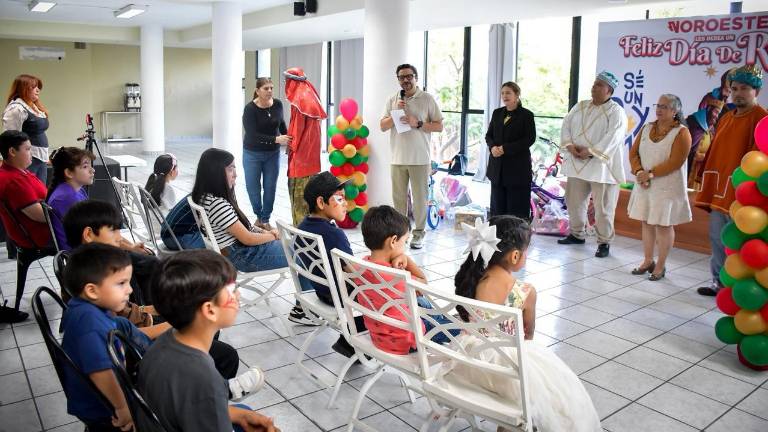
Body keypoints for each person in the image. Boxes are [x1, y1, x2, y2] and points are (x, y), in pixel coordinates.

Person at [453, 216, 601, 432]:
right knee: (557, 390)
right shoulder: (524, 292)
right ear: (515, 256)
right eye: (526, 250)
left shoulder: (471, 278)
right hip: (503, 370)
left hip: (468, 359)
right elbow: (528, 334)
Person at [140, 250, 279, 432]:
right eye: (232, 290)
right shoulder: (203, 378)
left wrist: (239, 415)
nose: (237, 296)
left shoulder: (165, 342)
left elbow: (187, 407)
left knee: (244, 411)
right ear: (210, 310)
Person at [60, 243, 172, 431]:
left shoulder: (86, 307)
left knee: (122, 324)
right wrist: (122, 407)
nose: (129, 290)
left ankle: (156, 358)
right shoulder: (90, 325)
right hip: (103, 408)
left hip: (108, 391)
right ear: (92, 290)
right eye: (121, 283)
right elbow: (101, 372)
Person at [695, 64, 768, 296]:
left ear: (756, 91)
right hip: (719, 191)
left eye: (744, 88)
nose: (737, 93)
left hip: (745, 197)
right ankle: (720, 282)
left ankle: (740, 289)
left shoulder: (762, 119)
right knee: (717, 237)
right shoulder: (726, 117)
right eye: (734, 88)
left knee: (740, 243)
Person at [358, 205, 457, 355]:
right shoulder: (397, 277)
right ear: (393, 241)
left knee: (422, 303)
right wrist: (406, 259)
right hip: (407, 339)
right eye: (405, 242)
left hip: (379, 334)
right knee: (459, 328)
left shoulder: (363, 265)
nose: (405, 247)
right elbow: (423, 282)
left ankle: (442, 318)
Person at [290, 171, 366, 357]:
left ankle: (349, 341)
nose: (346, 204)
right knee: (388, 298)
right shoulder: (333, 234)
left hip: (322, 292)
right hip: (340, 295)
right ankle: (352, 339)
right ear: (321, 203)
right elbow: (354, 273)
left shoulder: (304, 227)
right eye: (339, 199)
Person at [557, 71, 628, 258]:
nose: (594, 87)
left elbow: (614, 137)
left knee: (604, 208)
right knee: (573, 201)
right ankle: (576, 234)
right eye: (594, 84)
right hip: (576, 162)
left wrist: (591, 151)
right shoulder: (580, 106)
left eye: (599, 85)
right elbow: (566, 125)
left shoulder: (616, 111)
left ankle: (604, 242)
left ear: (609, 90)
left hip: (601, 167)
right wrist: (570, 145)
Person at [627, 94, 692, 281]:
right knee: (646, 221)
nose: (659, 109)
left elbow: (676, 161)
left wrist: (650, 174)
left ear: (675, 111)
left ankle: (661, 266)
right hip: (644, 183)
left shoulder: (682, 132)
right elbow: (633, 152)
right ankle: (648, 261)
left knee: (663, 224)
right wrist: (639, 171)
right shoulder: (648, 127)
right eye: (658, 105)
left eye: (664, 106)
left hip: (667, 186)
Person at [191, 148, 288, 272]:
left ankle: (307, 291)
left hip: (237, 252)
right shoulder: (218, 204)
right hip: (242, 256)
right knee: (304, 255)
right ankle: (308, 292)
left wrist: (266, 233)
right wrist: (273, 236)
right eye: (230, 169)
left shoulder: (205, 196)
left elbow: (245, 228)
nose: (235, 174)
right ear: (215, 172)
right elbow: (248, 238)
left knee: (301, 250)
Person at [380, 64, 444, 249]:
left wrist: (418, 123)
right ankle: (401, 234)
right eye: (401, 77)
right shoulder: (393, 99)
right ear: (398, 80)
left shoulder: (427, 99)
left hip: (420, 159)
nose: (405, 80)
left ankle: (419, 234)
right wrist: (394, 114)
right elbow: (382, 126)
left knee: (419, 199)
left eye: (409, 76)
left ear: (416, 78)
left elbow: (439, 126)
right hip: (397, 158)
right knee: (398, 200)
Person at [0, 130, 53, 322]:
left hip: (29, 234)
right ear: (12, 151)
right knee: (89, 234)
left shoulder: (16, 172)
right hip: (39, 237)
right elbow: (42, 216)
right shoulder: (14, 180)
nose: (32, 153)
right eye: (28, 149)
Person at [243, 78, 290, 230]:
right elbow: (252, 134)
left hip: (272, 154)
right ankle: (258, 215)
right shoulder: (250, 109)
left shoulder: (278, 104)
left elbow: (281, 124)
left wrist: (289, 139)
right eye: (266, 88)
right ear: (257, 91)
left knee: (270, 187)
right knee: (253, 187)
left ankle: (265, 219)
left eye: (271, 88)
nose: (269, 91)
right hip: (252, 153)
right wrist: (276, 139)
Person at [485, 81, 537, 219]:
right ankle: (498, 235)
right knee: (497, 206)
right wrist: (492, 147)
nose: (504, 96)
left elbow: (529, 139)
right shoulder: (497, 113)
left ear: (517, 95)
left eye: (508, 93)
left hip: (517, 169)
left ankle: (517, 237)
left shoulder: (526, 115)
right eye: (502, 93)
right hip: (497, 168)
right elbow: (489, 135)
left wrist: (505, 149)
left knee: (516, 207)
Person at [283, 67, 327, 226]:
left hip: (301, 161)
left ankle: (301, 237)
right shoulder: (311, 94)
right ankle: (310, 234)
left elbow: (296, 129)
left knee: (299, 203)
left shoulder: (299, 100)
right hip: (312, 162)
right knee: (310, 202)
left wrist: (291, 146)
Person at [686, 69, 734, 189]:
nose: (717, 116)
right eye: (715, 112)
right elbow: (686, 152)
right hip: (688, 176)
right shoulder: (695, 126)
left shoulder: (714, 131)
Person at [3, 74, 49, 183]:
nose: (38, 90)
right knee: (28, 195)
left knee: (40, 193)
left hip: (40, 158)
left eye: (38, 87)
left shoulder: (34, 107)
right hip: (26, 160)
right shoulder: (16, 109)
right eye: (33, 87)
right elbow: (10, 138)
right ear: (23, 89)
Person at [47, 147, 95, 251]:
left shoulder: (76, 190)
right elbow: (88, 234)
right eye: (85, 167)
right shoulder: (66, 197)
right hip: (81, 253)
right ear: (69, 173)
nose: (92, 170)